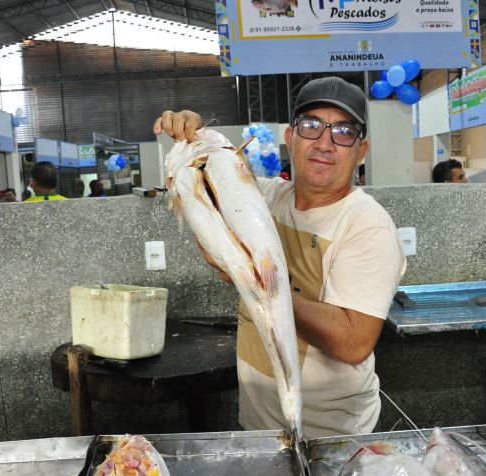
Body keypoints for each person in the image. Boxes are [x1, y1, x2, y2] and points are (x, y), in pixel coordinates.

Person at [153, 76, 406, 438]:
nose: (325, 143)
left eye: (343, 132)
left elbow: (354, 342)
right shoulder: (266, 197)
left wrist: (258, 283)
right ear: (290, 138)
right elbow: (209, 181)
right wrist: (191, 136)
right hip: (258, 425)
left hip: (336, 437)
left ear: (360, 151)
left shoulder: (367, 225)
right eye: (311, 126)